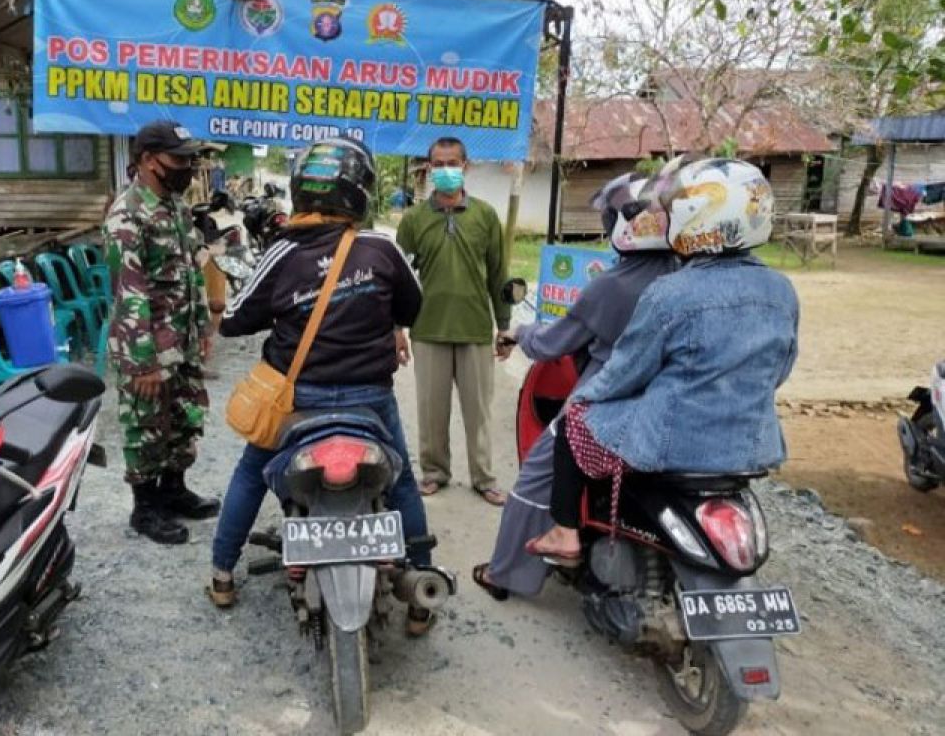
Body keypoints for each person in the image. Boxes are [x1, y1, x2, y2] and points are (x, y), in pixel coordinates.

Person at [208, 137, 436, 635]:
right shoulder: (381, 248)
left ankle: (222, 573)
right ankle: (423, 587)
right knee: (400, 481)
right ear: (360, 192)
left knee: (251, 473)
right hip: (369, 401)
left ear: (302, 191)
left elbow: (235, 321)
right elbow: (413, 309)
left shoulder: (282, 251)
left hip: (298, 403)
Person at [525, 157, 800, 565]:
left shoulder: (670, 293)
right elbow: (779, 370)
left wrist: (581, 400)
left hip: (672, 442)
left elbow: (626, 369)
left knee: (573, 425)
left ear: (695, 218)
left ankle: (565, 533)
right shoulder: (782, 290)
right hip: (752, 444)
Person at [472, 173, 678, 600]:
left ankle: (505, 574)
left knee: (535, 475)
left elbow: (555, 342)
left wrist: (521, 334)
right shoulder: (683, 276)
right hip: (667, 401)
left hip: (605, 394)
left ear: (624, 225)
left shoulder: (612, 285)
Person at [104, 120, 221, 545]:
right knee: (147, 425)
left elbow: (191, 271)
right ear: (148, 160)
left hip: (183, 341)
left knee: (184, 419)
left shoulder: (174, 206)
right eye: (179, 159)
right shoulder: (126, 216)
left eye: (191, 158)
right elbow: (129, 293)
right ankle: (145, 508)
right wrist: (143, 362)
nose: (187, 166)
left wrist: (203, 326)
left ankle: (173, 491)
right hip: (148, 346)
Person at [396, 136, 512, 506]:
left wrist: (504, 325)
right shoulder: (414, 220)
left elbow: (499, 273)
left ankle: (484, 477)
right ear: (429, 168)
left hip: (476, 328)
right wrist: (396, 328)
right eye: (438, 164)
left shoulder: (485, 216)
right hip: (428, 329)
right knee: (432, 411)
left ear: (466, 166)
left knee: (478, 412)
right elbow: (398, 278)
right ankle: (434, 472)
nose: (445, 170)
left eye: (452, 163)